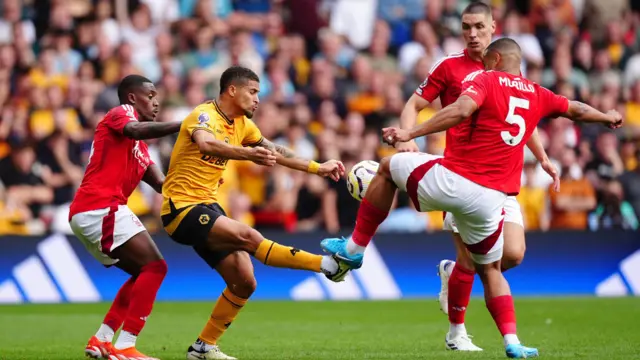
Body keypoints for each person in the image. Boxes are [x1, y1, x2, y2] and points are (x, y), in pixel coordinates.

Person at [321, 38, 622, 359]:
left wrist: (410, 134)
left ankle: (354, 250)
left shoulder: (486, 78)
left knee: (386, 167)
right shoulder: (537, 92)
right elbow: (575, 109)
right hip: (492, 201)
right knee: (491, 270)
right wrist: (607, 116)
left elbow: (462, 108)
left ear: (494, 58)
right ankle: (512, 341)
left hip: (457, 181)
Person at [394, 2, 559, 351]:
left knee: (512, 255)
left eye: (479, 27)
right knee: (475, 260)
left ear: (493, 27)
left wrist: (542, 157)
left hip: (504, 180)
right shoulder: (450, 67)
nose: (472, 34)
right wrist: (408, 140)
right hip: (463, 176)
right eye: (466, 27)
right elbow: (413, 104)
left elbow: (521, 116)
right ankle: (457, 334)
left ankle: (453, 276)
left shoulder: (507, 66)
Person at [161, 66, 355, 360]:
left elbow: (276, 152)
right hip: (181, 208)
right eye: (252, 92)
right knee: (248, 235)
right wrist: (246, 154)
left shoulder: (243, 125)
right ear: (232, 90)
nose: (257, 99)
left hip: (209, 206)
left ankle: (203, 347)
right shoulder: (203, 116)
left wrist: (318, 167)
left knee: (245, 281)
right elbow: (206, 143)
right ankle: (327, 266)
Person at [68, 74, 182, 360]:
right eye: (151, 95)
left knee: (143, 272)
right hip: (101, 206)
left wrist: (197, 183)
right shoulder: (121, 114)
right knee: (156, 268)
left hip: (96, 210)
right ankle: (125, 346)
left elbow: (163, 185)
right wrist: (181, 125)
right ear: (132, 97)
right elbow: (135, 129)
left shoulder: (140, 149)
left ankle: (103, 340)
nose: (156, 102)